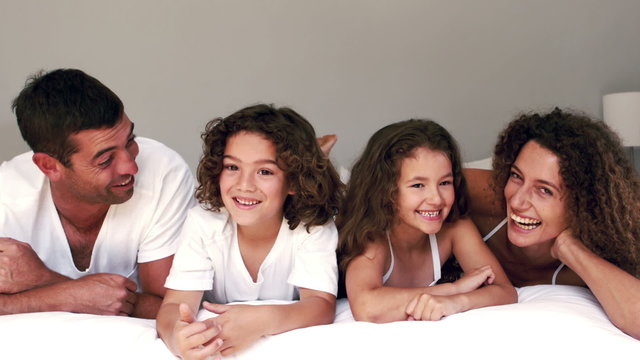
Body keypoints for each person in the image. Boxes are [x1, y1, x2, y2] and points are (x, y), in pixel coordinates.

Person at [0, 69, 195, 319]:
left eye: (130, 140)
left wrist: (45, 280)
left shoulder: (164, 172)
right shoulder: (7, 193)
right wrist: (67, 294)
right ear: (49, 166)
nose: (131, 167)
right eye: (105, 160)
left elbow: (177, 309)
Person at [156, 104, 343, 358]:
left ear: (294, 182)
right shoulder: (203, 223)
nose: (244, 185)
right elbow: (175, 304)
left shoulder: (312, 227)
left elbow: (320, 306)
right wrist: (175, 337)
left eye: (264, 171)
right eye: (232, 167)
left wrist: (262, 319)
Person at [465, 108, 640, 339]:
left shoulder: (605, 243)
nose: (517, 201)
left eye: (544, 190)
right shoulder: (485, 195)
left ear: (583, 202)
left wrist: (568, 247)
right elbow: (408, 185)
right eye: (516, 176)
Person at [336, 119, 516, 323]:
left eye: (445, 183)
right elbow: (367, 307)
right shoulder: (373, 235)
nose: (436, 199)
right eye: (418, 185)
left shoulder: (455, 228)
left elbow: (505, 291)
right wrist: (453, 289)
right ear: (385, 190)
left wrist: (456, 302)